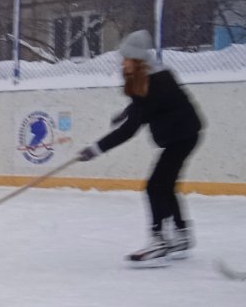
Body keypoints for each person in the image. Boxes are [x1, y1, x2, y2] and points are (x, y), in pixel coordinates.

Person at [76, 30, 204, 265]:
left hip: (183, 136)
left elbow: (130, 129)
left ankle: (158, 241)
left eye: (126, 58)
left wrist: (96, 149)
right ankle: (182, 234)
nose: (122, 63)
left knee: (155, 187)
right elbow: (145, 105)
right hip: (181, 134)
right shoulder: (151, 77)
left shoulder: (157, 82)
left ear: (138, 60)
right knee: (164, 186)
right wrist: (128, 111)